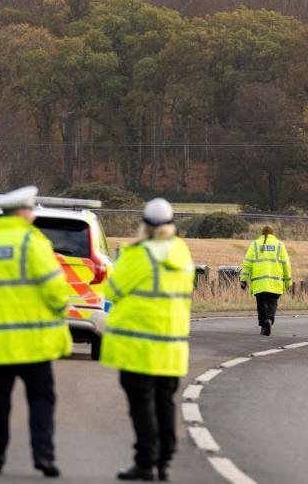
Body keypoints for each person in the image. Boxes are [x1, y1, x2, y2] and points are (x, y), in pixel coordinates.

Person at [0, 185, 73, 478]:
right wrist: (60, 312)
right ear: (21, 212)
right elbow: (55, 288)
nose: (33, 215)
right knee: (41, 399)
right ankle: (43, 456)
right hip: (34, 341)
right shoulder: (32, 243)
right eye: (31, 209)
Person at [101, 198, 195, 482]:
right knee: (165, 402)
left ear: (145, 224)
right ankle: (165, 461)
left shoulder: (139, 254)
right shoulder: (182, 254)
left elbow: (112, 290)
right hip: (171, 346)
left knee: (141, 404)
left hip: (138, 347)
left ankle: (146, 460)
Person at [240, 226, 292, 336]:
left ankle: (263, 325)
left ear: (262, 234)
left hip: (259, 282)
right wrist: (288, 282)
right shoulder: (279, 245)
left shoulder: (255, 245)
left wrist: (243, 280)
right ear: (272, 234)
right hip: (275, 282)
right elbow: (286, 265)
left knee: (261, 303)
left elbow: (247, 263)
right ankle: (269, 320)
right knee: (272, 302)